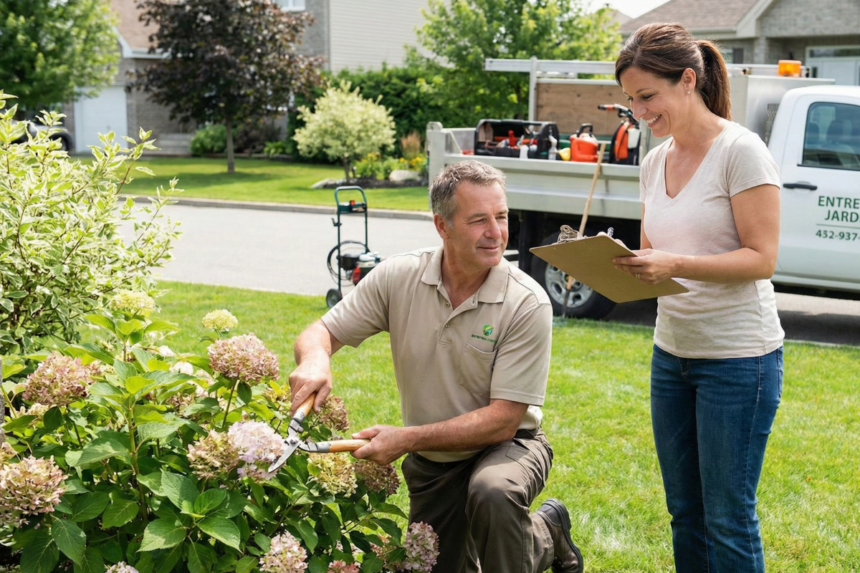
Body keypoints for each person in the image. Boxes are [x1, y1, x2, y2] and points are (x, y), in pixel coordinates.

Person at [289, 160, 583, 573]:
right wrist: (315, 359)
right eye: (478, 220)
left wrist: (406, 438)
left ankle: (537, 537)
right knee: (433, 564)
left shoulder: (527, 302)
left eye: (501, 217)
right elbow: (321, 331)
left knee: (493, 493)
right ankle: (540, 533)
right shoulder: (399, 276)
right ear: (442, 226)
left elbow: (503, 420)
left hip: (509, 445)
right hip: (435, 463)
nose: (496, 233)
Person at [612, 23, 784, 572]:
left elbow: (762, 259)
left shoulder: (741, 151)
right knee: (685, 512)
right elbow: (654, 253)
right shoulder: (653, 162)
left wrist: (675, 264)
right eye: (631, 100)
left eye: (647, 96)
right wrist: (620, 263)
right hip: (672, 355)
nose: (638, 111)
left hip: (738, 361)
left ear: (688, 80)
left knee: (727, 519)